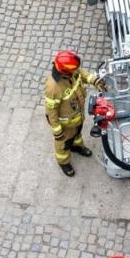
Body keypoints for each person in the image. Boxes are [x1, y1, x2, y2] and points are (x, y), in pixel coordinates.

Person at [44, 49, 99, 177]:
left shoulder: (70, 71)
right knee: (64, 143)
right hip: (65, 123)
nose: (76, 71)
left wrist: (95, 80)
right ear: (65, 72)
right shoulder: (53, 87)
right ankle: (63, 161)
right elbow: (51, 111)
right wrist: (57, 131)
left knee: (77, 134)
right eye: (73, 70)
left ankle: (77, 147)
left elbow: (82, 73)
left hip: (77, 115)